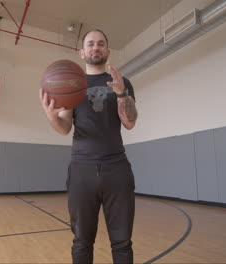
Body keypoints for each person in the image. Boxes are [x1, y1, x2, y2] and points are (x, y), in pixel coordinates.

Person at [39, 29, 138, 264]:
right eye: (91, 44)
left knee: (123, 242)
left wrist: (122, 94)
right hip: (82, 168)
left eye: (101, 43)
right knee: (82, 240)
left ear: (108, 51)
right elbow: (64, 127)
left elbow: (130, 122)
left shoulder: (122, 83)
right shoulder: (72, 83)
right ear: (82, 52)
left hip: (117, 167)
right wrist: (50, 115)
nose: (96, 47)